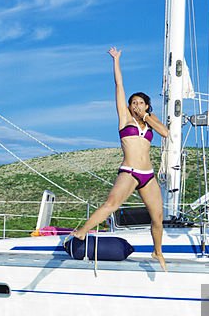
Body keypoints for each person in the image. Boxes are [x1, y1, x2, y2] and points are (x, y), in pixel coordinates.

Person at [71, 48, 169, 271]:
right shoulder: (124, 118)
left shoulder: (150, 119)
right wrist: (116, 61)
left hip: (148, 175)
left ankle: (157, 251)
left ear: (146, 105)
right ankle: (82, 231)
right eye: (133, 103)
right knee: (112, 204)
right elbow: (119, 86)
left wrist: (146, 117)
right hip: (130, 170)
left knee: (158, 216)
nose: (136, 106)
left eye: (140, 103)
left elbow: (164, 133)